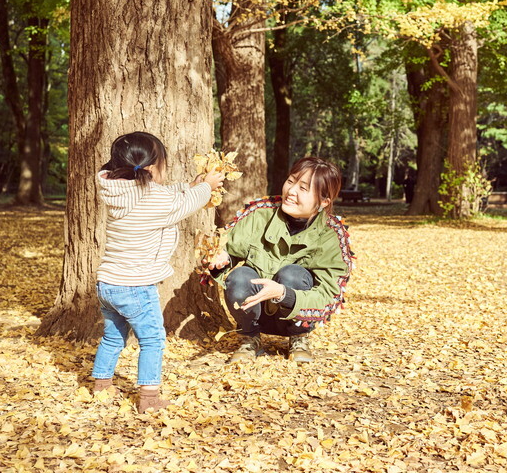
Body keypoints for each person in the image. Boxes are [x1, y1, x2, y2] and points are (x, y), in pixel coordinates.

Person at [91, 131, 225, 413]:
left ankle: (101, 384)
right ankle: (149, 398)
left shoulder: (118, 191)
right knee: (152, 339)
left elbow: (165, 195)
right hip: (136, 286)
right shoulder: (153, 198)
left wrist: (190, 185)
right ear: (151, 170)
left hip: (108, 284)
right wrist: (207, 186)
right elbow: (183, 204)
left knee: (113, 336)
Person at [208, 157, 354, 363]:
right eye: (291, 181)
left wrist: (284, 294)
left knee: (292, 274)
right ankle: (249, 339)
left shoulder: (332, 236)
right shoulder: (260, 213)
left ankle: (299, 338)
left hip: (296, 314)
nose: (291, 191)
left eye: (303, 188)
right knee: (239, 276)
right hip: (254, 310)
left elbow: (330, 298)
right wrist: (222, 258)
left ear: (324, 202)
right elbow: (229, 248)